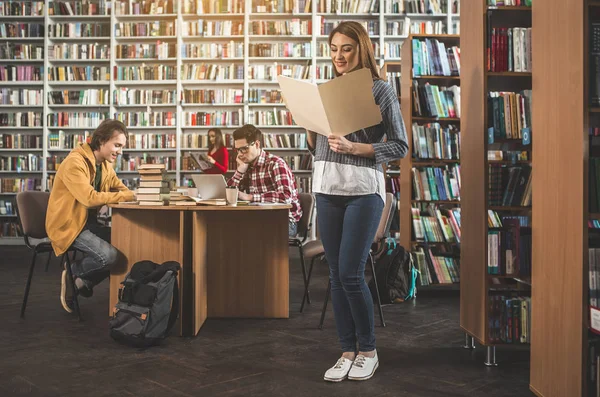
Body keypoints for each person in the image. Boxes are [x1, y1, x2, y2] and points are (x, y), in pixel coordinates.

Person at [306, 21, 408, 382]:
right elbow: (318, 147)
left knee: (350, 273)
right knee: (335, 276)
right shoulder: (325, 89)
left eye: (346, 48)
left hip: (364, 191)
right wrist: (309, 122)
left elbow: (399, 145)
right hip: (327, 188)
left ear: (361, 49)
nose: (339, 55)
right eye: (334, 48)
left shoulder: (379, 90)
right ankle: (346, 350)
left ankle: (368, 350)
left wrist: (357, 147)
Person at [46, 119, 135, 313]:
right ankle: (74, 274)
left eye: (122, 146)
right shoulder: (75, 162)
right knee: (110, 256)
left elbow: (122, 190)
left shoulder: (104, 166)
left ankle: (81, 282)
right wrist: (128, 195)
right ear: (102, 140)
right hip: (68, 226)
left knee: (125, 245)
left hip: (88, 223)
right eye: (117, 145)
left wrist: (134, 195)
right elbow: (89, 198)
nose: (120, 151)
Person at [227, 124, 302, 237]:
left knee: (248, 233)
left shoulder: (276, 164)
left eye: (244, 149)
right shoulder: (246, 165)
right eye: (238, 150)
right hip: (258, 217)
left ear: (257, 144)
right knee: (228, 228)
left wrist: (250, 197)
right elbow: (229, 193)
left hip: (285, 220)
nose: (240, 154)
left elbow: (286, 196)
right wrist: (239, 171)